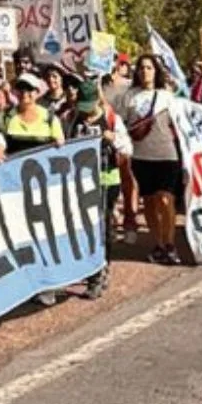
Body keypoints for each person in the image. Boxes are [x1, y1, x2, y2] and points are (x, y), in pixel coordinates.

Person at [67, 80, 132, 300]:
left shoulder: (112, 119)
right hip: (82, 181)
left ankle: (100, 270)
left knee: (101, 226)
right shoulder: (74, 119)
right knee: (83, 227)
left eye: (89, 107)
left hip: (107, 178)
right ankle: (91, 268)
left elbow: (127, 148)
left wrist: (113, 139)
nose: (85, 113)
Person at [125, 56, 186, 265]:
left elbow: (181, 124)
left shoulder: (167, 96)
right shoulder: (129, 96)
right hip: (141, 156)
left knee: (165, 198)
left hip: (166, 155)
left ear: (156, 71)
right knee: (150, 201)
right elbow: (122, 122)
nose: (145, 71)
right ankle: (158, 244)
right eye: (141, 68)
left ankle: (170, 244)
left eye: (149, 68)